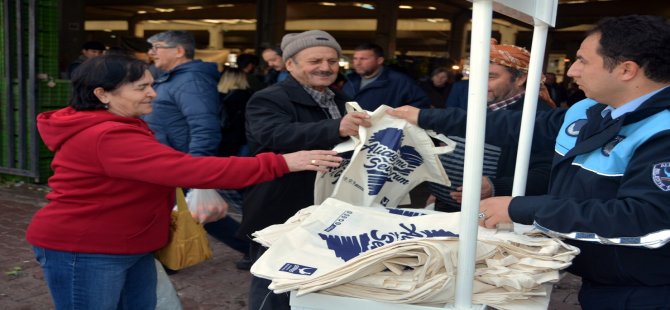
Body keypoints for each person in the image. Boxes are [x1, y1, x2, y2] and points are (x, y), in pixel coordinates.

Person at [389, 15, 670, 309]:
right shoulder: (592, 111)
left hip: (646, 287)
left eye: (583, 61)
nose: (572, 70)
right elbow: (513, 126)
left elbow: (643, 217)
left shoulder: (662, 132)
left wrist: (519, 207)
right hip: (600, 277)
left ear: (626, 70)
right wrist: (422, 117)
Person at [25, 54, 343, 310]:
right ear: (102, 94)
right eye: (140, 87)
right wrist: (283, 162)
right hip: (86, 248)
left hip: (127, 244)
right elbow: (188, 170)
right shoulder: (106, 134)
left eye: (151, 84)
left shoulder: (122, 124)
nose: (153, 93)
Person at [240, 30, 371, 310]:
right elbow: (273, 135)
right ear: (290, 65)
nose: (325, 68)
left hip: (328, 208)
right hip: (280, 206)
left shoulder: (340, 99)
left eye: (332, 61)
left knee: (318, 281)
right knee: (273, 284)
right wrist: (335, 128)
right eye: (315, 61)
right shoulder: (269, 98)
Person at [142, 30, 246, 268]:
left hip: (182, 160)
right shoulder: (174, 78)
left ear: (179, 51)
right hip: (172, 158)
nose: (151, 53)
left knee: (202, 212)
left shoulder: (191, 81)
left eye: (157, 47)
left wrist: (195, 166)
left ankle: (253, 247)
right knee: (195, 211)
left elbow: (205, 126)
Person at [429, 42, 554, 212]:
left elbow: (547, 174)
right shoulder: (482, 103)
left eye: (491, 76)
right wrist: (437, 191)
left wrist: (496, 186)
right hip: (446, 208)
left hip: (491, 218)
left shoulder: (539, 117)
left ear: (520, 79)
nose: (479, 83)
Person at [343, 42, 431, 111]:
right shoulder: (350, 81)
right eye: (355, 58)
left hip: (384, 133)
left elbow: (421, 105)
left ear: (380, 60)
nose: (357, 63)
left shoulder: (400, 82)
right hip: (353, 132)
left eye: (363, 59)